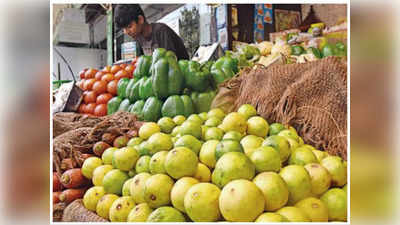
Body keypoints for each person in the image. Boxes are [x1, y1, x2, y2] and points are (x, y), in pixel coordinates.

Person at [115, 4, 189, 60]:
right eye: (123, 29)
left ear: (140, 19)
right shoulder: (138, 37)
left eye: (129, 27)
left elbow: (170, 62)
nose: (126, 32)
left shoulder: (161, 31)